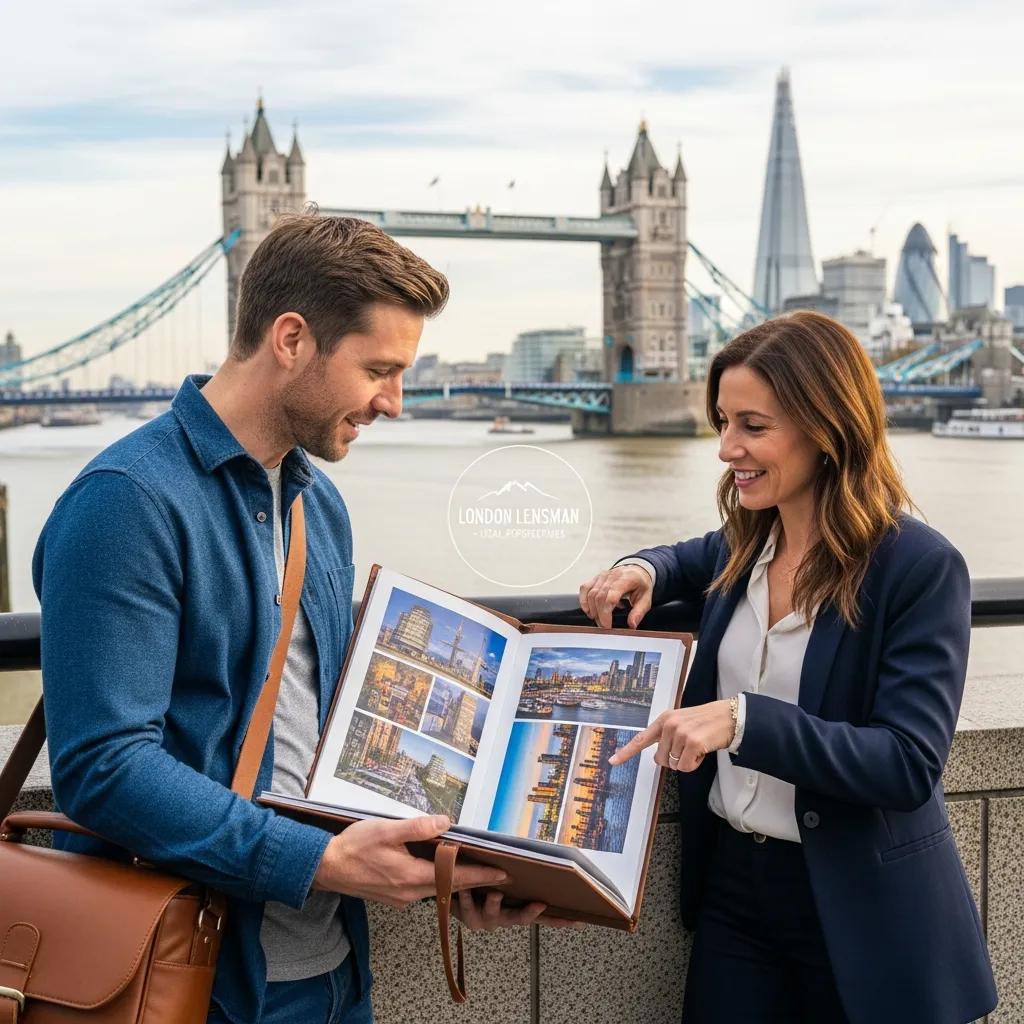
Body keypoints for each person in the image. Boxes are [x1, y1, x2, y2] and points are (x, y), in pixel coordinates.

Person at [33, 213, 553, 1024]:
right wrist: (318, 859)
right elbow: (103, 766)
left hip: (336, 967)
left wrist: (442, 866)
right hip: (202, 976)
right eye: (379, 369)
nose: (395, 402)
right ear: (290, 339)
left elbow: (327, 740)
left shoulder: (321, 505)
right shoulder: (126, 504)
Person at [578, 311, 997, 1024]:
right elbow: (690, 555)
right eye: (721, 421)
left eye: (752, 425)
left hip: (861, 907)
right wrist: (641, 567)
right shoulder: (745, 546)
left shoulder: (919, 569)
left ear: (825, 428)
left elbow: (906, 762)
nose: (725, 448)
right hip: (735, 894)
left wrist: (743, 721)